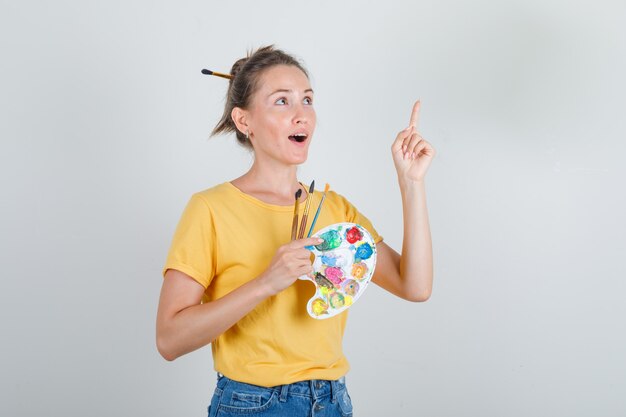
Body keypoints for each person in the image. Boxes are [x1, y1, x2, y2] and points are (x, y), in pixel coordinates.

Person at [156, 45, 435, 417]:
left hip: (332, 402)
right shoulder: (210, 209)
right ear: (244, 121)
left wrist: (411, 183)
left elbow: (413, 286)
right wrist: (266, 283)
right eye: (282, 102)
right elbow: (169, 339)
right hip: (252, 404)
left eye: (307, 99)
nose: (301, 114)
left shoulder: (334, 209)